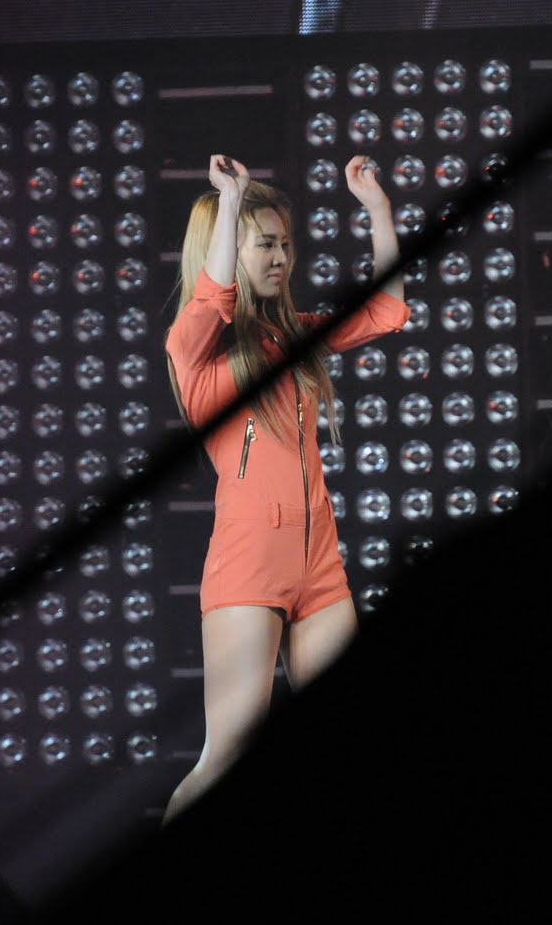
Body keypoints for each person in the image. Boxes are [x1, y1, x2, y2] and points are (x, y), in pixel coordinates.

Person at [161, 154, 408, 822]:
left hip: (319, 568)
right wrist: (231, 200)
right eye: (265, 244)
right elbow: (214, 297)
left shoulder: (293, 335)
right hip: (249, 568)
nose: (280, 257)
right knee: (227, 757)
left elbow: (385, 310)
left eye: (286, 244)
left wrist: (377, 209)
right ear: (229, 247)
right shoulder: (196, 348)